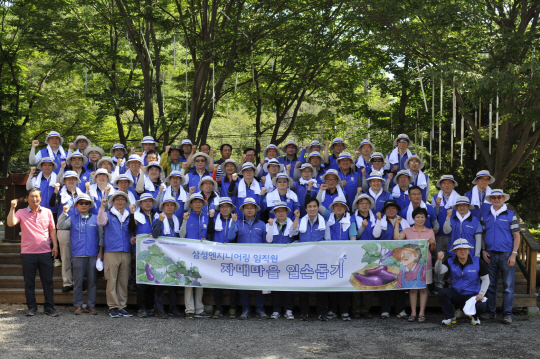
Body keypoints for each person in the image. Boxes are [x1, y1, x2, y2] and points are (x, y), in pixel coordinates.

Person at [7, 188, 59, 317]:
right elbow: (10, 223)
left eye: (37, 196)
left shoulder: (47, 212)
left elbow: (52, 230)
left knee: (48, 282)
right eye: (32, 196)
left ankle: (49, 307)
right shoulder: (21, 212)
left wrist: (55, 245)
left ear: (40, 198)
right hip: (28, 253)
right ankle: (31, 307)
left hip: (46, 252)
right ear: (27, 198)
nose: (34, 199)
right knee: (29, 282)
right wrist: (12, 208)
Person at [481, 189, 520, 325]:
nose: (497, 199)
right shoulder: (486, 215)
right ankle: (491, 312)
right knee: (491, 286)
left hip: (506, 255)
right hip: (490, 255)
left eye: (499, 197)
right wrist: (483, 250)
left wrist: (514, 254)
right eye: (494, 197)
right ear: (491, 199)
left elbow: (516, 236)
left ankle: (507, 314)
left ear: (503, 198)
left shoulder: (511, 215)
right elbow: (483, 235)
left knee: (508, 286)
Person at [57, 194, 100, 315]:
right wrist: (64, 213)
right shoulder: (72, 218)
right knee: (78, 282)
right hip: (77, 254)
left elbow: (101, 235)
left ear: (90, 205)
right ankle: (77, 305)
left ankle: (91, 305)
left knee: (92, 282)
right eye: (81, 203)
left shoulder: (96, 219)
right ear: (76, 205)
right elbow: (61, 226)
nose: (84, 205)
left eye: (86, 203)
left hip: (92, 254)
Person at [394, 208, 436, 323]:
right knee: (413, 289)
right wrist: (397, 224)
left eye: (422, 217)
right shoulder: (407, 230)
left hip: (425, 264)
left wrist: (433, 244)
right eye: (418, 217)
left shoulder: (430, 231)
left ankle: (421, 313)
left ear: (425, 218)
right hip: (411, 265)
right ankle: (413, 312)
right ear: (414, 218)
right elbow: (396, 239)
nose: (420, 219)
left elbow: (432, 249)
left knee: (423, 289)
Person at [97, 190, 134, 318]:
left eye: (122, 199)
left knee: (123, 281)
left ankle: (122, 306)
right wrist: (102, 206)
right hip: (111, 251)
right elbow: (100, 222)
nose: (120, 201)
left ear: (126, 202)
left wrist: (132, 240)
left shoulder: (130, 215)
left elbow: (130, 234)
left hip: (126, 251)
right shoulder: (108, 214)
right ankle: (113, 307)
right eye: (117, 199)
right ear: (113, 202)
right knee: (111, 280)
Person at [435, 239, 490, 326]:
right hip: (457, 294)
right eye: (459, 249)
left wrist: (481, 293)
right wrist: (439, 260)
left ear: (468, 250)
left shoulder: (477, 261)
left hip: (472, 295)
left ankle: (474, 317)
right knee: (442, 293)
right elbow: (439, 271)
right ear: (455, 251)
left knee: (482, 305)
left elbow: (485, 279)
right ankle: (450, 317)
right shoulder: (450, 261)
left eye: (465, 248)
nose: (463, 251)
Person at [230, 198, 268, 320]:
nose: (249, 209)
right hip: (243, 260)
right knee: (244, 286)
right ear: (243, 210)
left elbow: (266, 242)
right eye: (247, 207)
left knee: (259, 285)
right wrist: (233, 223)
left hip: (259, 260)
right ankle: (245, 309)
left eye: (252, 207)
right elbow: (231, 237)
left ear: (256, 209)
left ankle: (260, 309)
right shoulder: (238, 222)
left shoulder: (262, 224)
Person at [372, 199, 409, 319]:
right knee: (385, 282)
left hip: (400, 256)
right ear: (385, 211)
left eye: (393, 208)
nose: (391, 210)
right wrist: (378, 221)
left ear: (397, 210)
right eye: (388, 208)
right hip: (385, 256)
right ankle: (385, 310)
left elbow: (408, 237)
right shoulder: (380, 221)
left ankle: (400, 310)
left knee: (399, 283)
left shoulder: (403, 222)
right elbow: (376, 235)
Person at [179, 193, 211, 319]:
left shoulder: (206, 218)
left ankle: (199, 308)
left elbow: (209, 234)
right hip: (188, 254)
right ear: (191, 204)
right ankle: (190, 310)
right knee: (189, 281)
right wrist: (184, 221)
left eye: (200, 202)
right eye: (195, 202)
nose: (198, 204)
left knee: (199, 280)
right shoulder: (186, 217)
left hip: (202, 254)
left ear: (203, 204)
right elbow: (181, 235)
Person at [266, 202, 300, 320]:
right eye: (278, 211)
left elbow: (294, 233)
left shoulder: (291, 223)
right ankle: (276, 309)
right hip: (275, 259)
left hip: (288, 258)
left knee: (287, 284)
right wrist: (270, 226)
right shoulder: (269, 224)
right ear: (275, 213)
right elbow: (269, 240)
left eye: (283, 211)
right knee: (275, 284)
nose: (280, 213)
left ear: (287, 212)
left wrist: (296, 218)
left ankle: (288, 309)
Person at [50, 170, 83, 289]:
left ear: (76, 181)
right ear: (64, 181)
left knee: (79, 257)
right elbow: (52, 203)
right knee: (65, 257)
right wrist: (55, 191)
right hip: (65, 229)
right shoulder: (60, 193)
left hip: (79, 229)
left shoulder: (81, 194)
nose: (71, 181)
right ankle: (67, 282)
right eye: (68, 179)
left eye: (73, 178)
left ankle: (78, 282)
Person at [207, 197, 239, 319]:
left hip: (232, 256)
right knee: (217, 283)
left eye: (227, 206)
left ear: (231, 208)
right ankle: (218, 308)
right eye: (222, 206)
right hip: (217, 256)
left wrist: (234, 222)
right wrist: (210, 218)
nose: (225, 209)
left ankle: (233, 308)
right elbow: (209, 231)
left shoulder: (236, 220)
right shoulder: (214, 219)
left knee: (233, 283)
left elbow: (233, 237)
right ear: (219, 208)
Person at [322, 197, 353, 320]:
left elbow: (353, 239)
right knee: (332, 283)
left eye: (341, 206)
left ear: (345, 208)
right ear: (333, 208)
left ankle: (345, 311)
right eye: (336, 206)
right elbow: (318, 205)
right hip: (330, 255)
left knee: (345, 283)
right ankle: (333, 309)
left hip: (345, 256)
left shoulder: (351, 220)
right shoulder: (327, 220)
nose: (339, 208)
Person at [151, 197, 181, 319]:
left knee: (174, 282)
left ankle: (172, 308)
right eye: (167, 205)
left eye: (172, 205)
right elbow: (154, 235)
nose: (169, 207)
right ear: (163, 207)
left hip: (173, 255)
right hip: (161, 255)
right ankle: (159, 308)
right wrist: (160, 222)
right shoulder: (158, 218)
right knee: (160, 283)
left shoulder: (176, 219)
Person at [297, 197, 328, 321]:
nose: (312, 209)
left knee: (320, 285)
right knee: (304, 286)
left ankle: (322, 312)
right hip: (304, 258)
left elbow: (328, 240)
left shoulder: (324, 222)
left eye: (314, 206)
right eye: (309, 206)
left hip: (319, 258)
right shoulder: (300, 221)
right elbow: (293, 235)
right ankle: (304, 312)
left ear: (317, 207)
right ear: (306, 209)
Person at [128, 193, 158, 318]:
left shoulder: (157, 215)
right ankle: (141, 307)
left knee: (153, 279)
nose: (148, 203)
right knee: (142, 281)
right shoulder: (136, 215)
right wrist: (132, 215)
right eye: (145, 201)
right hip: (140, 252)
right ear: (140, 203)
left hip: (154, 252)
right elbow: (130, 229)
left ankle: (151, 306)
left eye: (150, 201)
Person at [431, 174, 460, 292]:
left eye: (449, 183)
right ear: (440, 185)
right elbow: (433, 216)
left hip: (454, 235)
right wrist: (437, 206)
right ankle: (438, 284)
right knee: (440, 259)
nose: (446, 185)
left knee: (453, 259)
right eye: (444, 183)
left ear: (453, 185)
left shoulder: (459, 199)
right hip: (439, 235)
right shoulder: (435, 198)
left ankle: (452, 282)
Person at [350, 194, 376, 319]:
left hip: (372, 254)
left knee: (369, 281)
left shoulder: (376, 218)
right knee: (357, 280)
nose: (364, 205)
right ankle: (355, 309)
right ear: (357, 205)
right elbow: (355, 237)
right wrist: (363, 227)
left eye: (366, 203)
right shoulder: (352, 219)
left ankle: (365, 309)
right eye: (361, 203)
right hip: (357, 253)